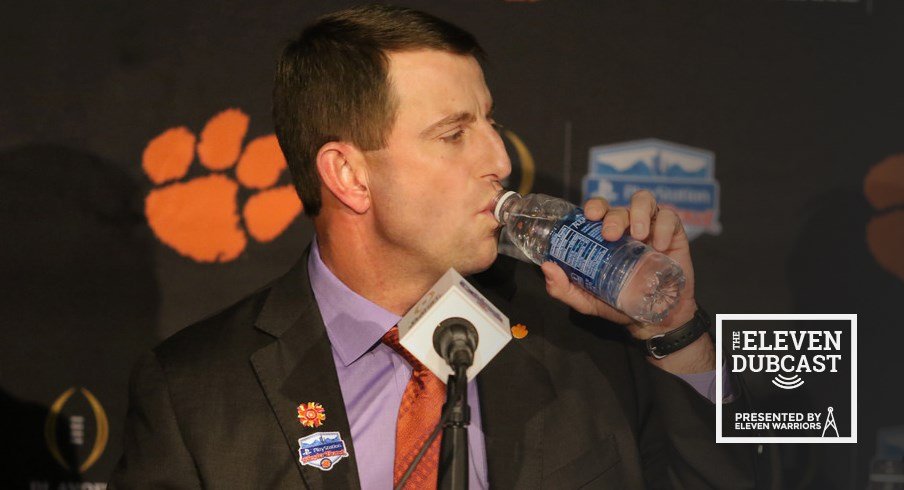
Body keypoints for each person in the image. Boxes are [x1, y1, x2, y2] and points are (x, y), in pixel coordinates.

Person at [110, 4, 758, 489]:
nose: (501, 159)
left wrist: (673, 333)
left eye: (491, 124)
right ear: (349, 176)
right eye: (454, 134)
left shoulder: (584, 339)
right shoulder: (193, 392)